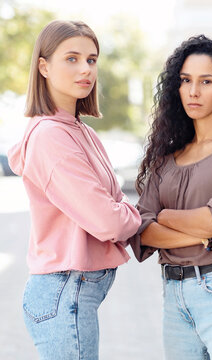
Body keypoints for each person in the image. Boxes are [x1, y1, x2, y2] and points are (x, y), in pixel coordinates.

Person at [7, 20, 142, 359]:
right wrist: (130, 215)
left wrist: (120, 209)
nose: (85, 69)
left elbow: (116, 202)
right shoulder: (50, 136)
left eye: (92, 60)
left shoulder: (81, 131)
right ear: (44, 67)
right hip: (63, 290)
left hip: (72, 292)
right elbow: (109, 220)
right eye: (72, 58)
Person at [129, 35, 212, 360]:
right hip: (174, 296)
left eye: (206, 81)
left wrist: (167, 216)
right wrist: (204, 233)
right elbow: (140, 228)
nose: (193, 91)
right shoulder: (166, 158)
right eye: (186, 81)